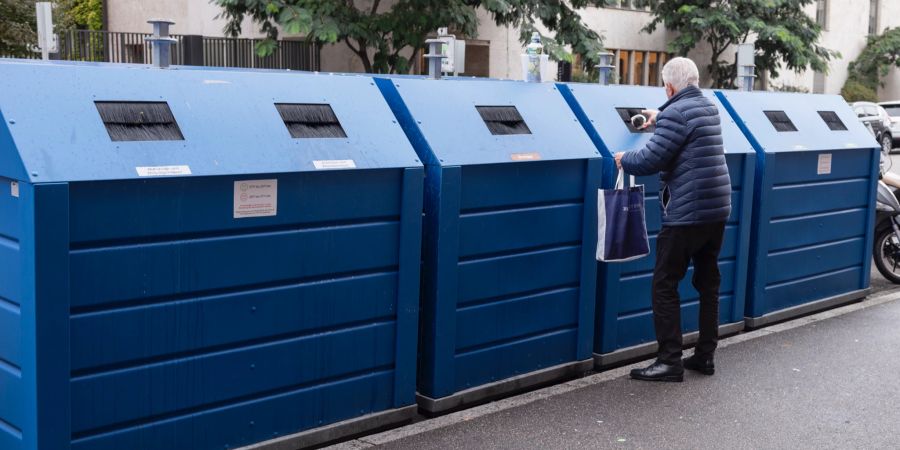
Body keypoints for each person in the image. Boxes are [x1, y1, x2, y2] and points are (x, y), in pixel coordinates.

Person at [614, 57, 732, 382]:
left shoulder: (675, 113)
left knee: (664, 283)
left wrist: (626, 160)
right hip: (716, 209)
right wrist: (659, 118)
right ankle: (705, 355)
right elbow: (682, 131)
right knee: (708, 282)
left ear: (669, 86)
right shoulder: (708, 107)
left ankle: (669, 361)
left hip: (686, 213)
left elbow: (652, 158)